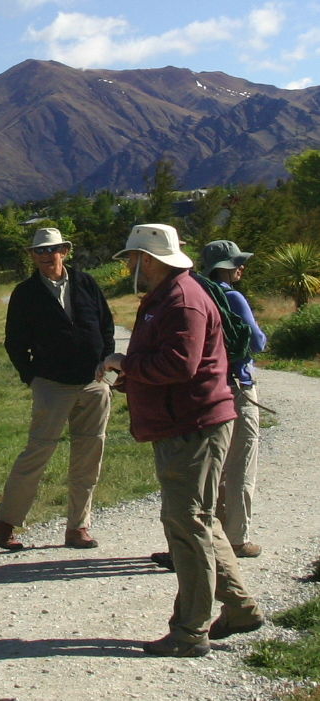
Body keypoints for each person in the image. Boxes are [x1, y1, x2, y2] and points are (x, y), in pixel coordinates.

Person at [96, 223, 263, 657]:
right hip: (186, 423)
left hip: (193, 427)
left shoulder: (181, 300)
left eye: (133, 258)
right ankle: (240, 609)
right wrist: (132, 377)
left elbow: (179, 365)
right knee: (198, 521)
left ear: (149, 260)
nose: (131, 265)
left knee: (185, 526)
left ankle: (190, 632)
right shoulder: (172, 296)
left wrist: (125, 364)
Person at [0, 227, 115, 550]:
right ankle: (4, 521)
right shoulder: (25, 293)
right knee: (37, 453)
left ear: (65, 251)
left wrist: (105, 364)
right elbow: (14, 342)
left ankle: (78, 527)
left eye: (52, 249)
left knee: (89, 457)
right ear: (32, 255)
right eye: (39, 251)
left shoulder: (86, 283)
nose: (46, 256)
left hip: (93, 384)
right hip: (51, 386)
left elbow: (107, 326)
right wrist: (32, 377)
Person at [201, 240, 267, 558]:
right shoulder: (232, 297)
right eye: (238, 263)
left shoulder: (198, 293)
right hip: (239, 387)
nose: (241, 268)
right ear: (227, 268)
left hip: (209, 391)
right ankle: (237, 537)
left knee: (213, 466)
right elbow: (257, 342)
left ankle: (205, 534)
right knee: (241, 463)